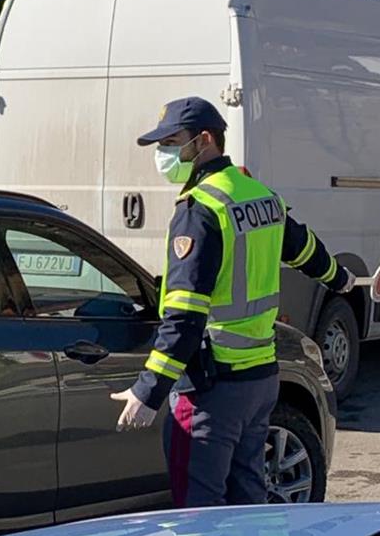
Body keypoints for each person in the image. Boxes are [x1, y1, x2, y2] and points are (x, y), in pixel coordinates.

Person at [111, 96, 355, 507]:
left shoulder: (201, 210)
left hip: (213, 389)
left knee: (200, 510)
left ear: (205, 140)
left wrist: (148, 390)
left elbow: (186, 316)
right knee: (248, 498)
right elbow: (305, 250)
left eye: (172, 142)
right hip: (260, 381)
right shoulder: (260, 197)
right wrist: (341, 278)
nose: (164, 154)